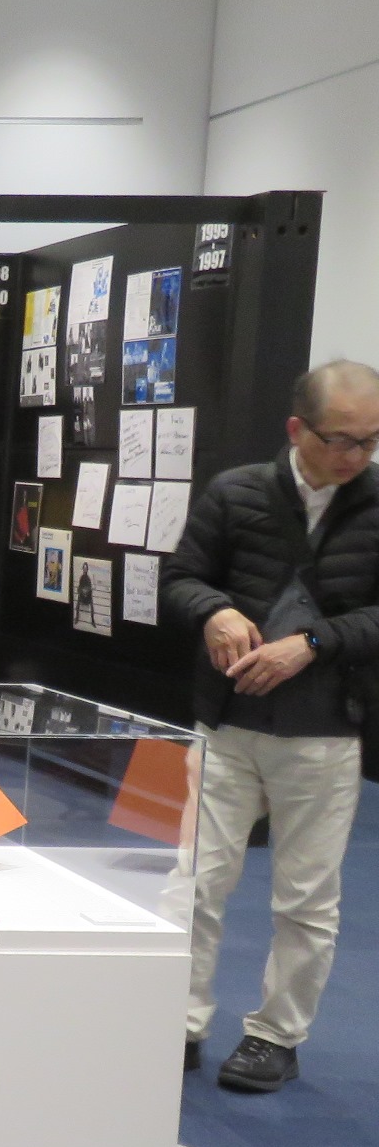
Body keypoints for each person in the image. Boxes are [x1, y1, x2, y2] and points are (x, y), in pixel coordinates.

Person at [160, 359, 379, 1092]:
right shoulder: (236, 492)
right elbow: (181, 579)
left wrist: (314, 642)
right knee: (196, 882)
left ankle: (276, 1036)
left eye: (370, 441)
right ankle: (178, 1020)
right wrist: (215, 611)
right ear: (296, 429)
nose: (354, 455)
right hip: (226, 726)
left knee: (307, 898)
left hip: (326, 731)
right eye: (340, 438)